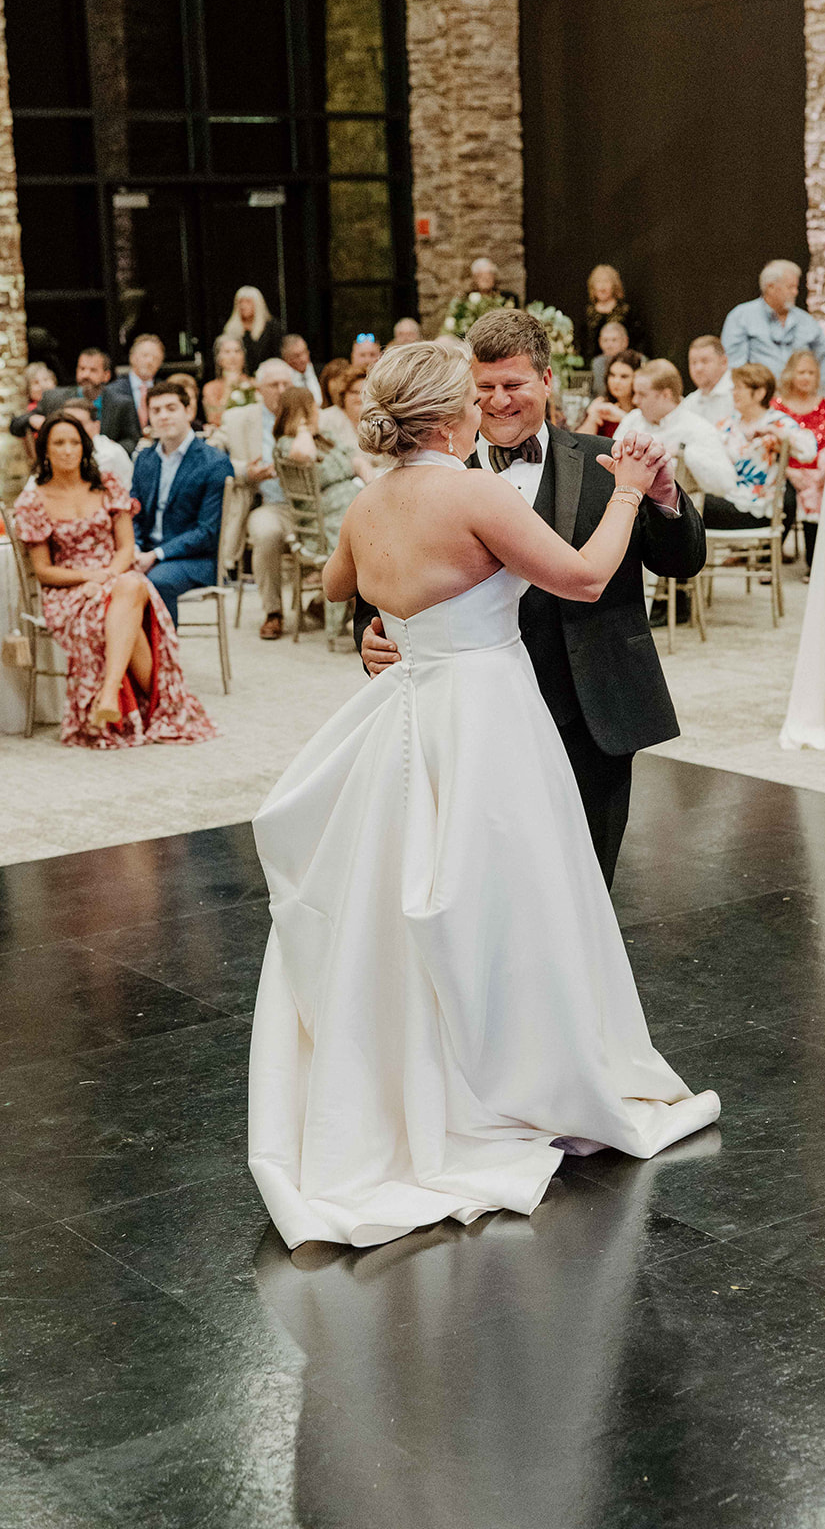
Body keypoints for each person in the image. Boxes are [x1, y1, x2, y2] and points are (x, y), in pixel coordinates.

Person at [248, 337, 720, 1253]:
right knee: (518, 896)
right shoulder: (471, 489)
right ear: (450, 410)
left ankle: (435, 1071)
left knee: (420, 906)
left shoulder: (371, 498)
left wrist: (399, 619)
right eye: (475, 391)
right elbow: (581, 577)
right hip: (488, 717)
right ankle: (524, 1073)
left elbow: (339, 579)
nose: (487, 402)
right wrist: (624, 487)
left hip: (417, 714)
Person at [357, 309, 707, 887]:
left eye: (512, 385)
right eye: (483, 389)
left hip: (590, 703)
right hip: (472, 716)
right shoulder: (425, 474)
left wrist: (665, 496)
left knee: (588, 881)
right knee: (481, 880)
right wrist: (371, 638)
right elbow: (377, 584)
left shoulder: (608, 464)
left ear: (546, 381)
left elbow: (681, 563)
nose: (497, 402)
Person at [12, 413, 216, 748]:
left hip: (115, 575)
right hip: (67, 590)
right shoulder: (33, 501)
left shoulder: (107, 486)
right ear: (44, 450)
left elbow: (125, 549)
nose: (67, 450)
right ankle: (156, 708)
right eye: (58, 443)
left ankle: (107, 694)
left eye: (74, 442)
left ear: (85, 447)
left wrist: (105, 576)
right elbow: (44, 571)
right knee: (128, 601)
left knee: (131, 585)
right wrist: (88, 577)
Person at [130, 382, 233, 626]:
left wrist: (155, 555)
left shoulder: (213, 462)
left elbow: (207, 532)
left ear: (188, 412)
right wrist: (133, 548)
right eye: (156, 410)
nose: (163, 416)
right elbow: (133, 513)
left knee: (156, 581)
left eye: (171, 408)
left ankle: (164, 661)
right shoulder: (145, 459)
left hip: (197, 559)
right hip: (146, 552)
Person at [273, 387, 366, 645]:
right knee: (365, 540)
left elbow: (356, 461)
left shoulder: (324, 437)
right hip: (322, 521)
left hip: (351, 503)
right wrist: (303, 429)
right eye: (312, 408)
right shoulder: (286, 444)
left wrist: (373, 484)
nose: (318, 413)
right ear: (300, 413)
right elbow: (306, 455)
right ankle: (360, 618)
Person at [220, 358, 295, 638]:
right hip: (267, 504)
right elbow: (215, 460)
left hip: (309, 505)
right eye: (274, 384)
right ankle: (273, 612)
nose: (281, 389)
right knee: (266, 533)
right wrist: (246, 472)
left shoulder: (307, 414)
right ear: (260, 389)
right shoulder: (238, 418)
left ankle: (333, 607)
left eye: (287, 383)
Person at [701, 362, 817, 539]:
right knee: (686, 501)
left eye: (740, 388)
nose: (734, 393)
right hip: (727, 497)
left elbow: (808, 451)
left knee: (691, 508)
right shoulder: (728, 424)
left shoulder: (777, 422)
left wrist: (778, 434)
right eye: (734, 388)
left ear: (760, 393)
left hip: (759, 506)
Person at [613, 360, 735, 497]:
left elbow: (726, 485)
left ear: (666, 395)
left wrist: (685, 453)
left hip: (674, 513)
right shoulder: (632, 419)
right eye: (635, 393)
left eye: (642, 394)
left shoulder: (697, 428)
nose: (635, 400)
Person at [771, 351, 825, 573]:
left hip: (820, 474)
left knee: (819, 495)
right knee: (787, 501)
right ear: (791, 374)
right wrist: (789, 471)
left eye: (811, 372)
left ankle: (815, 564)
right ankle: (770, 557)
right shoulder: (777, 406)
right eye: (801, 372)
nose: (806, 377)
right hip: (785, 472)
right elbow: (771, 445)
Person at [721, 261, 825, 391]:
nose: (795, 292)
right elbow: (735, 367)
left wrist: (820, 395)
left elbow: (823, 358)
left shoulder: (807, 321)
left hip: (800, 402)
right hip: (760, 402)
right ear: (770, 287)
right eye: (790, 287)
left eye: (796, 287)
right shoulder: (741, 317)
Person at [39, 347, 142, 454]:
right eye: (82, 369)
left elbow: (132, 439)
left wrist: (112, 448)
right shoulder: (54, 398)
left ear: (106, 375)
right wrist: (35, 420)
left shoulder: (122, 403)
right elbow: (21, 422)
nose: (86, 375)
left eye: (93, 370)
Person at [57, 397, 134, 489]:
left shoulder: (112, 454)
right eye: (67, 423)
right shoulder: (52, 452)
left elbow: (129, 490)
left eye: (79, 424)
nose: (72, 429)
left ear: (96, 427)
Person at [318, 366, 375, 478]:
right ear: (343, 394)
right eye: (354, 392)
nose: (360, 398)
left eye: (365, 392)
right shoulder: (326, 418)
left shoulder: (374, 420)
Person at [577, 349, 642, 438]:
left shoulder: (645, 410)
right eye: (612, 375)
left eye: (624, 377)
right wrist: (592, 418)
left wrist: (623, 417)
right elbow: (578, 444)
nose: (616, 381)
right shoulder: (603, 407)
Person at [582, 265, 642, 362]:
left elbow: (638, 341)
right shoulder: (588, 312)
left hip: (623, 363)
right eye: (598, 282)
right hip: (593, 365)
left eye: (606, 282)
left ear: (614, 286)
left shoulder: (626, 310)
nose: (602, 287)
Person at [111, 333, 165, 433]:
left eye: (155, 357)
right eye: (145, 355)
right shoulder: (113, 391)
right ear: (132, 357)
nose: (150, 361)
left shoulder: (165, 390)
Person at [223, 286, 283, 376]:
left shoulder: (272, 327)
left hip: (267, 375)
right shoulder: (230, 328)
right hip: (239, 376)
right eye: (240, 302)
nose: (243, 306)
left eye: (248, 302)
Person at [202, 335, 255, 427]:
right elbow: (214, 419)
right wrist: (229, 387)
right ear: (219, 359)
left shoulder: (253, 384)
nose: (233, 356)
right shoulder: (210, 388)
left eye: (237, 351)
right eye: (227, 352)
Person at [684, 335, 735, 426]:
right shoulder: (689, 403)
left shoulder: (739, 393)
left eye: (705, 361)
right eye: (693, 362)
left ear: (724, 362)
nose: (698, 368)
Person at [10, 361, 57, 457]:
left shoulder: (62, 402)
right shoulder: (29, 411)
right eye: (36, 383)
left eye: (46, 379)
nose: (42, 386)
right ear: (28, 389)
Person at [590, 320, 631, 396]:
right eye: (605, 340)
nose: (609, 345)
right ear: (600, 342)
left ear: (625, 341)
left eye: (614, 340)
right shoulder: (597, 363)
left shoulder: (636, 360)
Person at [281, 334, 322, 404]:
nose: (303, 359)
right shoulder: (283, 380)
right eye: (297, 356)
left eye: (304, 352)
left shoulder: (321, 371)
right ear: (286, 359)